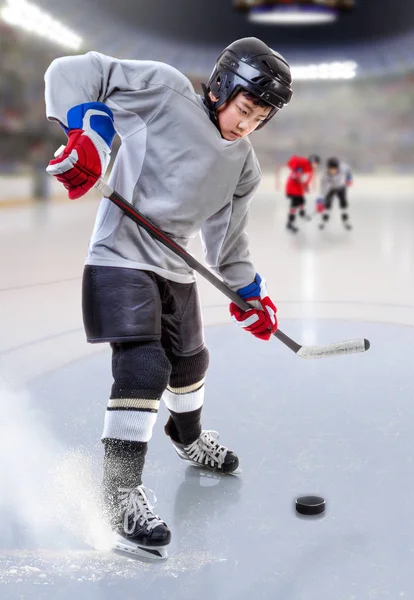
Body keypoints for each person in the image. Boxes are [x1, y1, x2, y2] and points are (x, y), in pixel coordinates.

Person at [44, 37, 292, 560]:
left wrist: (249, 291)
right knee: (144, 366)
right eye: (245, 109)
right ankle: (120, 493)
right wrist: (85, 131)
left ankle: (189, 439)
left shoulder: (244, 165)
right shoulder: (165, 90)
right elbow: (74, 71)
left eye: (259, 118)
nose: (247, 125)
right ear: (222, 88)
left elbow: (228, 242)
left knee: (191, 362)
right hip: (119, 256)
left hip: (175, 265)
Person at [277, 153, 320, 232]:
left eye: (317, 164)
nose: (316, 165)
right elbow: (293, 160)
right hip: (292, 187)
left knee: (302, 201)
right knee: (295, 203)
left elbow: (306, 180)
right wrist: (295, 172)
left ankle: (301, 213)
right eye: (315, 163)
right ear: (311, 161)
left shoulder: (310, 170)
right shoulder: (303, 162)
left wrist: (306, 186)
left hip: (299, 189)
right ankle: (290, 222)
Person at [318, 157, 353, 230]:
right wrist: (320, 200)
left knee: (343, 203)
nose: (333, 171)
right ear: (328, 168)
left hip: (341, 187)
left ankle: (346, 220)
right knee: (327, 204)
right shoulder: (324, 175)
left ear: (338, 167)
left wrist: (349, 178)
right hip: (331, 188)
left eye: (335, 169)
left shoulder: (343, 167)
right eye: (331, 169)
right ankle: (324, 220)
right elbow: (322, 187)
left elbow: (349, 169)